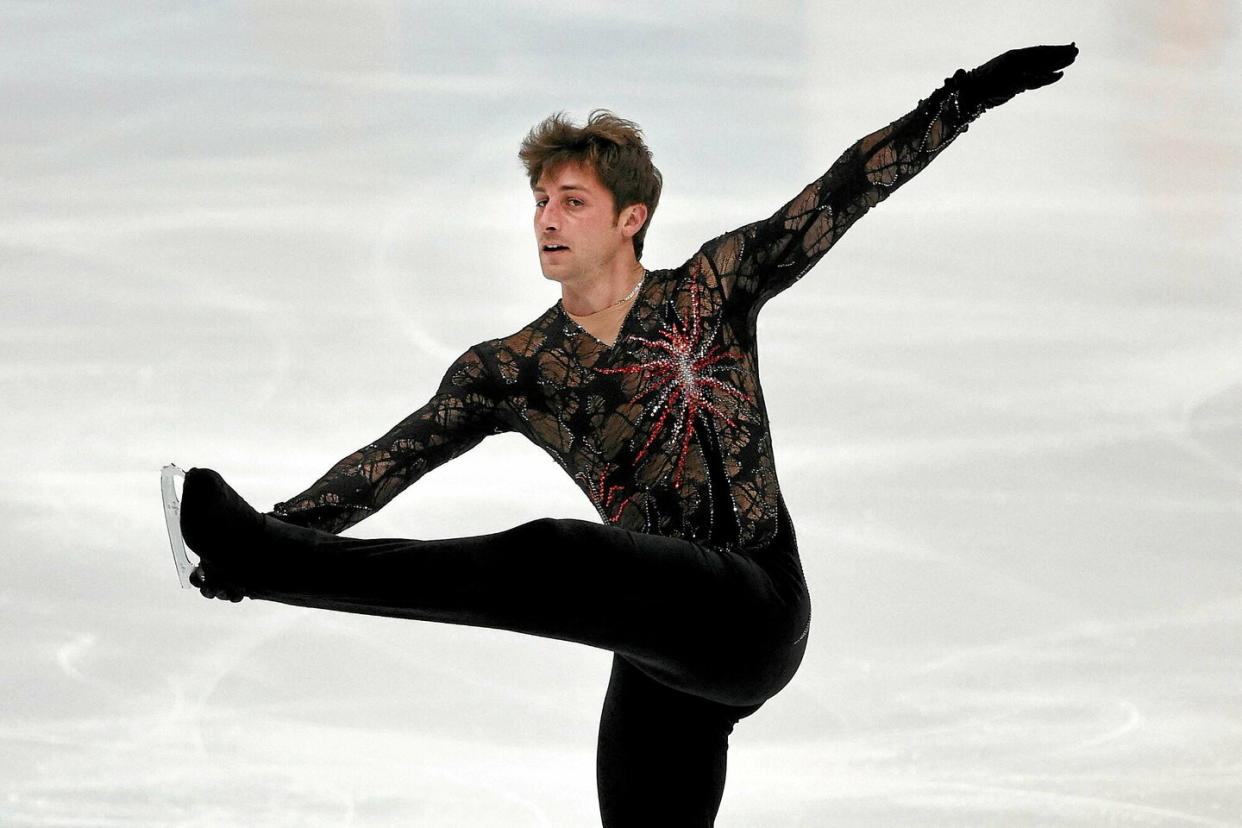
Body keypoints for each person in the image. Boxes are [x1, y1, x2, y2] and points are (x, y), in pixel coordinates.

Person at [179, 44, 1078, 826]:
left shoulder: (713, 289)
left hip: (754, 610)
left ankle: (272, 559)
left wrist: (968, 97)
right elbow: (388, 463)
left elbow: (842, 193)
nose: (546, 217)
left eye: (572, 199)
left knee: (560, 559)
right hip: (658, 652)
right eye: (539, 200)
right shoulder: (513, 367)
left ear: (629, 218)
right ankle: (269, 553)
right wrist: (288, 523)